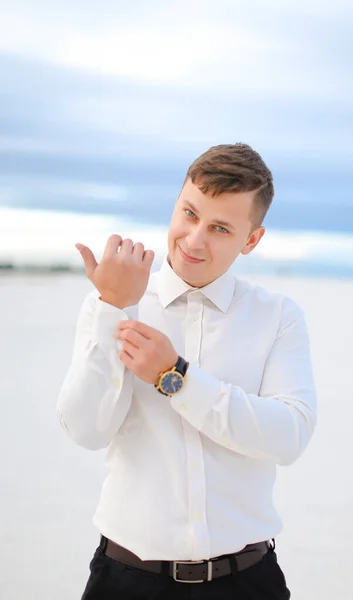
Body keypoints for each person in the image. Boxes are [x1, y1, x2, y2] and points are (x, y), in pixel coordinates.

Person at [57, 143, 317, 599]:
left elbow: (289, 436)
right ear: (176, 203)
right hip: (125, 580)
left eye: (219, 227)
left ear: (251, 240)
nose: (195, 239)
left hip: (248, 582)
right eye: (189, 213)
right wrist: (112, 309)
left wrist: (174, 376)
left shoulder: (278, 317)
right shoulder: (117, 300)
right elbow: (85, 430)